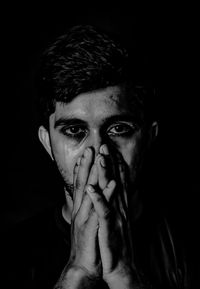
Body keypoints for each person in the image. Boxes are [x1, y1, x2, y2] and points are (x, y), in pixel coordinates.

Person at [3, 25, 193, 289]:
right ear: (48, 143)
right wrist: (76, 273)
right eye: (74, 130)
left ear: (149, 138)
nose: (98, 151)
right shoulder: (7, 258)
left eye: (118, 129)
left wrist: (123, 275)